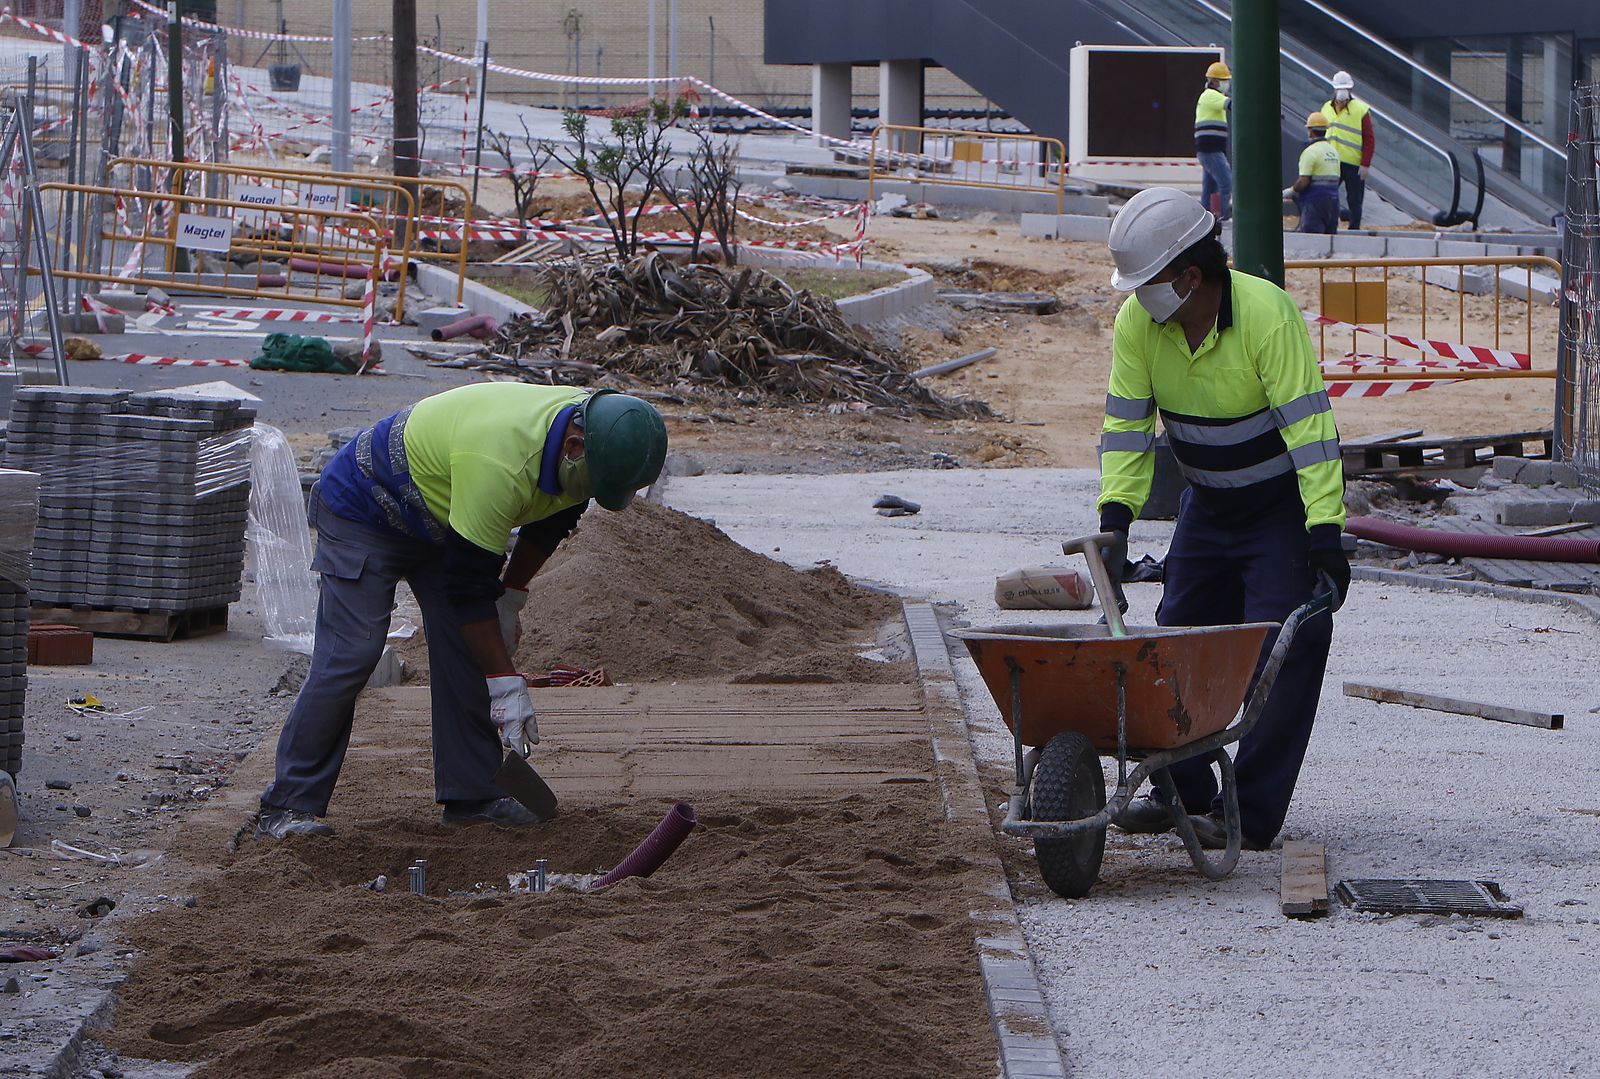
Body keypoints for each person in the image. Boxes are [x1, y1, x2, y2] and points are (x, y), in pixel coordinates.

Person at [257, 383, 668, 838]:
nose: (590, 493)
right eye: (594, 484)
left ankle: (474, 795)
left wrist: (511, 596)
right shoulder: (502, 461)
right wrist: (506, 684)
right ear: (573, 446)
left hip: (442, 516)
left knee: (467, 645)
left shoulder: (598, 430)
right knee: (352, 652)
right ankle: (287, 806)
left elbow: (550, 520)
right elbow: (469, 588)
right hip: (364, 506)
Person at [1094, 188, 1349, 851]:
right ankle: (1184, 795)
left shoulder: (1267, 316)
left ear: (1188, 276)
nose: (1138, 297)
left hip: (1276, 510)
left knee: (1286, 649)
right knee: (1175, 645)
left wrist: (1324, 531)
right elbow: (1126, 431)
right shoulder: (1138, 326)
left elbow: (1312, 434)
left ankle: (1251, 814)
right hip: (1206, 506)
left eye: (1147, 283)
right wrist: (1114, 522)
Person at [1322, 71, 1374, 229]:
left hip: (1353, 164)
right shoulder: (1326, 108)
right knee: (1327, 196)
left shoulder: (1361, 110)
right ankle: (1328, 225)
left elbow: (1369, 139)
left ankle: (1354, 229)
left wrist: (1365, 164)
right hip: (1331, 162)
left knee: (1355, 200)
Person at [1287, 111, 1342, 234]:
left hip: (1315, 202)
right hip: (1333, 202)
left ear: (1310, 131)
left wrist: (1292, 191)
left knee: (1312, 240)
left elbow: (1303, 181)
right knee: (1329, 241)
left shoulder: (1310, 152)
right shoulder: (1333, 152)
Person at [1194, 60, 1233, 221]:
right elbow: (1233, 105)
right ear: (1214, 81)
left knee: (1210, 187)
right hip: (1212, 150)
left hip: (1207, 150)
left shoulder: (1209, 97)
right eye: (1224, 81)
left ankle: (1206, 217)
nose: (1227, 84)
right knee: (1226, 183)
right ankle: (1224, 216)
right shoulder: (1211, 95)